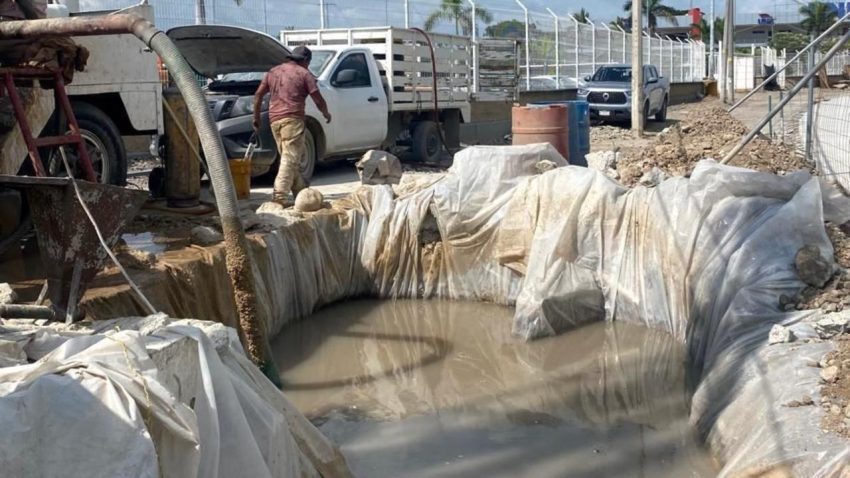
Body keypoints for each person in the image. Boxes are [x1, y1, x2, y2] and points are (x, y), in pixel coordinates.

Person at [253, 45, 331, 205]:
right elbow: (317, 97)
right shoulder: (304, 74)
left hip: (274, 120)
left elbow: (258, 95)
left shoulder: (273, 72)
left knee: (289, 159)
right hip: (293, 119)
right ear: (306, 61)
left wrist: (256, 118)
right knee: (290, 159)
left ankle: (301, 193)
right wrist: (325, 113)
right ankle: (279, 196)